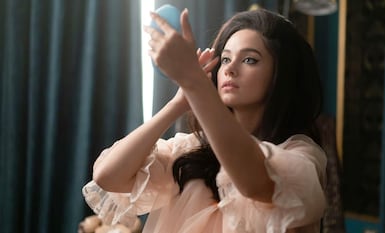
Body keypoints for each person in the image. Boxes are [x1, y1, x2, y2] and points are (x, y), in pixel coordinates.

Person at [83, 7, 327, 233]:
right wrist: (177, 103)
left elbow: (253, 182)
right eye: (225, 59)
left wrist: (193, 80)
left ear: (281, 74)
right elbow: (107, 177)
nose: (230, 69)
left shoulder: (299, 156)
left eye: (249, 59)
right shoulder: (189, 152)